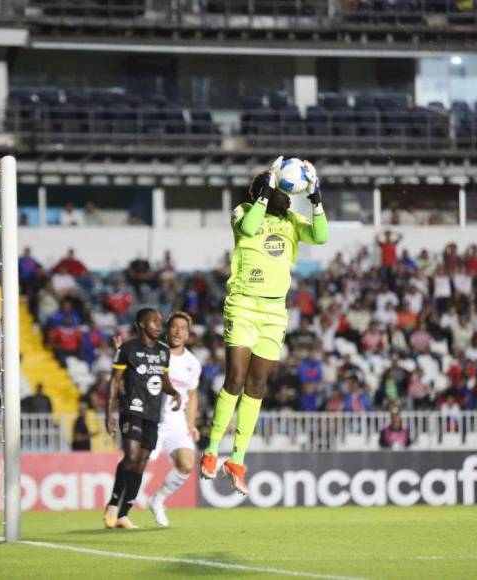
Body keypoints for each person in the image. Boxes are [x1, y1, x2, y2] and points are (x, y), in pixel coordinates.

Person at [199, 157, 328, 495]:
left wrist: (315, 200)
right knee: (236, 379)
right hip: (242, 304)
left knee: (257, 386)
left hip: (274, 313)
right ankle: (211, 451)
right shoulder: (243, 212)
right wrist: (266, 191)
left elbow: (322, 236)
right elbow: (248, 228)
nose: (289, 198)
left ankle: (237, 459)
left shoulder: (293, 221)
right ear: (268, 192)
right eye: (284, 193)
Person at [103, 308, 180, 530]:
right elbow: (115, 382)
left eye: (159, 322)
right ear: (141, 324)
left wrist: (173, 392)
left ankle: (124, 514)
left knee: (141, 462)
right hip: (132, 409)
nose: (159, 325)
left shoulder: (164, 352)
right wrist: (109, 414)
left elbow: (163, 379)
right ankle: (113, 504)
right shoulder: (128, 349)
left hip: (153, 413)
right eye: (154, 322)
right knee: (131, 456)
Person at [144, 311, 202, 528]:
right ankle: (120, 509)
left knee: (187, 464)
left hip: (176, 420)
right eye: (174, 327)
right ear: (168, 329)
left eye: (183, 328)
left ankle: (157, 500)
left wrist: (191, 424)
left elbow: (193, 395)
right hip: (151, 417)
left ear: (188, 334)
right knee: (138, 464)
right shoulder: (153, 352)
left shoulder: (193, 363)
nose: (178, 332)